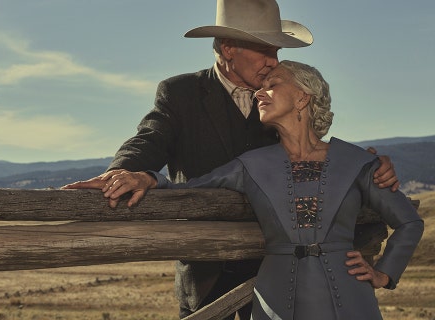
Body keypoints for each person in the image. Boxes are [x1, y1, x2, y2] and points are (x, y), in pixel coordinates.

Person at [63, 0, 399, 318]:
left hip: (277, 269)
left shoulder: (276, 96)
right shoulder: (181, 93)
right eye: (265, 50)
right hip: (205, 269)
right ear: (228, 49)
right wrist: (128, 171)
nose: (274, 60)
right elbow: (150, 139)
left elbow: (308, 147)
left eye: (277, 51)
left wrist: (367, 165)